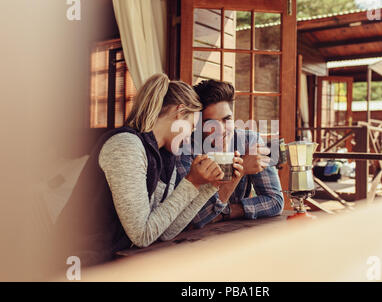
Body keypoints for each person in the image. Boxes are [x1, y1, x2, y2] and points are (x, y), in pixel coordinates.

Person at [54, 74, 244, 267]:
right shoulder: (125, 146)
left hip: (115, 261)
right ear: (179, 113)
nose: (189, 139)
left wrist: (208, 186)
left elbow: (166, 231)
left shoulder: (164, 156)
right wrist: (191, 182)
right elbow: (142, 235)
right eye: (191, 126)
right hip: (79, 262)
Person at [177, 80, 284, 229]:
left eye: (226, 119)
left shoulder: (249, 141)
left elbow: (275, 201)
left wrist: (227, 212)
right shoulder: (185, 149)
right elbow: (192, 219)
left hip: (234, 235)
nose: (221, 129)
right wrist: (240, 172)